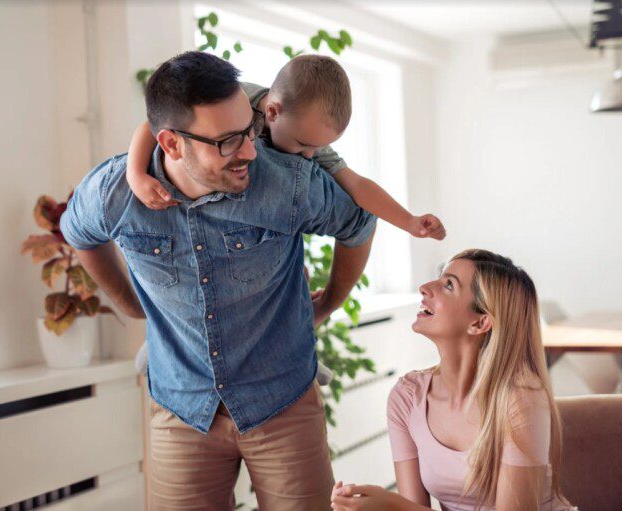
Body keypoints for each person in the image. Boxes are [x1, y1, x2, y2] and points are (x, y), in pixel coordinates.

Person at [60, 51, 376, 510]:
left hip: (283, 403)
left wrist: (328, 301)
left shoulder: (289, 184)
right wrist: (130, 305)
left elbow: (359, 225)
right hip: (181, 409)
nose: (250, 150)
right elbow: (78, 232)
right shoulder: (114, 194)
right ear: (170, 144)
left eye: (247, 131)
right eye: (228, 141)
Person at [127, 54, 446, 382]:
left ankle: (300, 347)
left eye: (316, 148)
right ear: (272, 112)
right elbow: (153, 127)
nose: (309, 155)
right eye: (303, 145)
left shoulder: (307, 141)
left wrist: (409, 221)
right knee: (190, 278)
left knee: (289, 278)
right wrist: (136, 174)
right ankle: (159, 342)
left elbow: (356, 186)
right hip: (203, 222)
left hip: (269, 231)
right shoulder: (241, 103)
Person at [331, 249, 575, 511]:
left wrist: (394, 506)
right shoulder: (407, 397)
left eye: (449, 285)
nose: (424, 287)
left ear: (480, 323)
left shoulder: (519, 401)